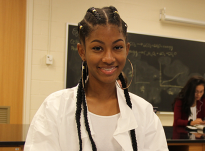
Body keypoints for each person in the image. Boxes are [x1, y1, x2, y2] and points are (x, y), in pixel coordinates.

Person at [25, 6, 168, 151]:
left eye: (117, 47)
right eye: (97, 48)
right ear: (82, 52)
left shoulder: (144, 113)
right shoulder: (54, 109)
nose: (108, 58)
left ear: (127, 50)